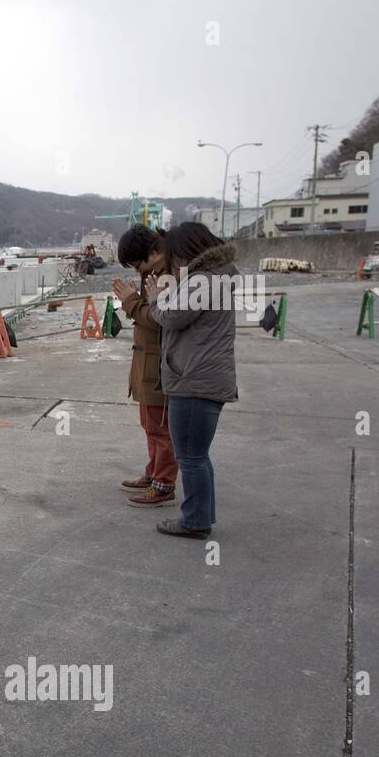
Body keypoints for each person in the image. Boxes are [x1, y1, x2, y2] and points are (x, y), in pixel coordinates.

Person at [143, 222, 239, 539]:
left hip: (195, 379)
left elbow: (172, 316)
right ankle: (201, 515)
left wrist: (156, 297)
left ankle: (195, 521)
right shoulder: (217, 275)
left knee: (191, 457)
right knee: (197, 454)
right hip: (204, 377)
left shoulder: (204, 280)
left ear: (187, 251)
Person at [111, 226, 176, 509]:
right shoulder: (155, 271)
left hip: (158, 361)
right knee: (150, 424)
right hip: (147, 358)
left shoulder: (168, 275)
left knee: (161, 427)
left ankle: (163, 484)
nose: (137, 269)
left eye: (138, 263)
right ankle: (153, 473)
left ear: (152, 252)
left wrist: (129, 300)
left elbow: (159, 317)